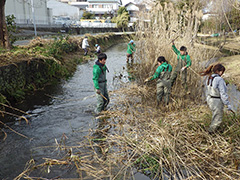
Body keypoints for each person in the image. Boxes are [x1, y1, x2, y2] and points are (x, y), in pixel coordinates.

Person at [200, 63, 233, 133]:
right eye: (222, 71)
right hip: (216, 101)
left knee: (215, 116)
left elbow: (207, 90)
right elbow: (223, 93)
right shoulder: (219, 79)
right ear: (219, 71)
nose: (222, 73)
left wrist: (207, 100)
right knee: (218, 119)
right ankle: (210, 133)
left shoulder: (209, 77)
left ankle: (213, 131)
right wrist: (227, 104)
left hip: (210, 99)